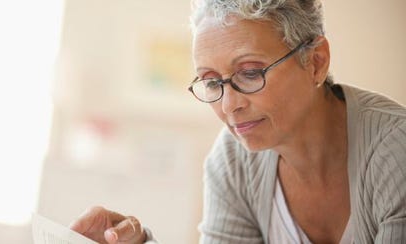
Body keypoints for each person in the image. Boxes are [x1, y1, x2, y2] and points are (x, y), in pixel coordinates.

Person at [69, 0, 406, 243]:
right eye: (212, 82)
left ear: (316, 62)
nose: (229, 106)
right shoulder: (233, 160)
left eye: (249, 73)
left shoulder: (395, 151)